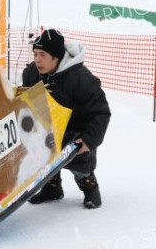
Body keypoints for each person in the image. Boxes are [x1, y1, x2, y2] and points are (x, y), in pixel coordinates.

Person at [22, 29, 111, 209]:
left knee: (79, 163)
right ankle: (52, 188)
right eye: (35, 54)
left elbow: (101, 112)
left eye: (43, 55)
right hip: (48, 127)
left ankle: (90, 188)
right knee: (42, 156)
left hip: (77, 129)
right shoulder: (31, 73)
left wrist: (88, 139)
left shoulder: (80, 78)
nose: (37, 59)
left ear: (56, 57)